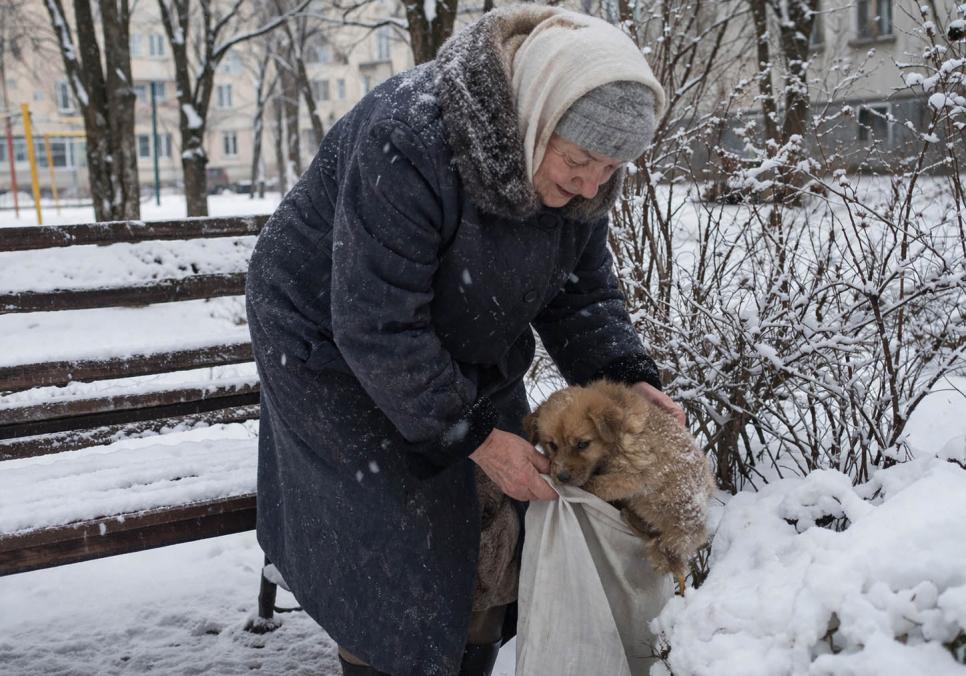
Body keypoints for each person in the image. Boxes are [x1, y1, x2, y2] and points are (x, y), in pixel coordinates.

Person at [245, 4, 679, 675]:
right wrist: (469, 435)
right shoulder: (413, 136)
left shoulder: (580, 168)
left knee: (492, 517)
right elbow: (376, 321)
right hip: (327, 336)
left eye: (613, 168)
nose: (592, 185)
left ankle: (465, 657)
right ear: (539, 115)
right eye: (581, 160)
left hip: (451, 329)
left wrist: (626, 375)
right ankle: (382, 660)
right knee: (396, 530)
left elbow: (579, 291)